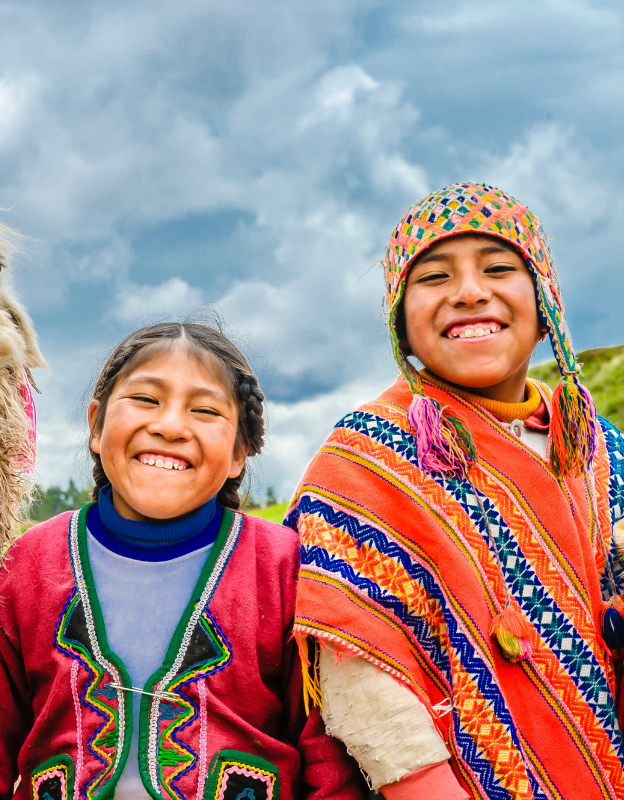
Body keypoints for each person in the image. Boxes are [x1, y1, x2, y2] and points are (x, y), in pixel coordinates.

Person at [0, 321, 364, 800]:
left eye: (204, 410)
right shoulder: (34, 565)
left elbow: (324, 749)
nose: (171, 425)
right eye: (146, 400)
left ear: (241, 453)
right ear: (97, 426)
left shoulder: (282, 568)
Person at [290, 183, 624, 800]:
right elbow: (362, 673)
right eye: (434, 277)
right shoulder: (363, 463)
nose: (469, 291)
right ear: (401, 321)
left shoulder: (599, 448)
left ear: (545, 302)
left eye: (499, 268)